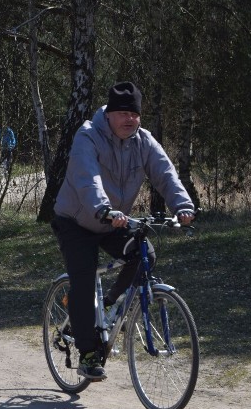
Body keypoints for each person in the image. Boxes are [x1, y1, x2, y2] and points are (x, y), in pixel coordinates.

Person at [52, 81, 195, 381]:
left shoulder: (143, 141)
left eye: (134, 113)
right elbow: (86, 178)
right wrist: (103, 208)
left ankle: (107, 306)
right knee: (84, 278)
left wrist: (182, 205)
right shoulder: (88, 135)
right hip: (77, 220)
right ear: (109, 115)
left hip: (113, 221)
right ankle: (88, 353)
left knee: (145, 256)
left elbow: (165, 173)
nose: (129, 119)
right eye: (122, 113)